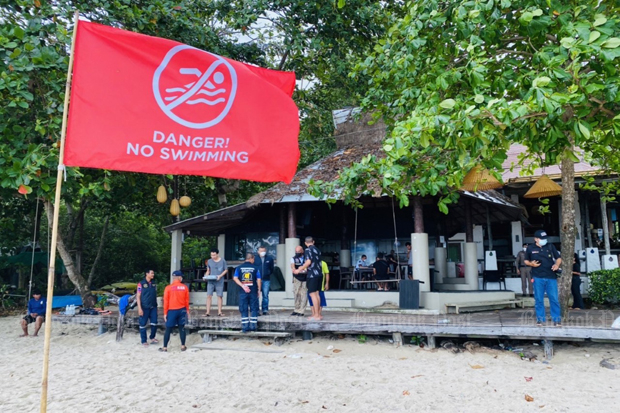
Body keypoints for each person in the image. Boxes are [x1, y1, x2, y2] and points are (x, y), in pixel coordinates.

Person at [524, 230, 562, 327]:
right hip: (537, 277)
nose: (544, 240)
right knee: (539, 299)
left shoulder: (550, 246)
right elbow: (526, 261)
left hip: (551, 276)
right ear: (536, 239)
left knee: (554, 299)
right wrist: (531, 264)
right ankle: (540, 320)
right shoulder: (530, 248)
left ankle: (557, 320)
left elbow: (558, 258)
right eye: (541, 239)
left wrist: (557, 265)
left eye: (545, 239)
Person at [160, 270, 190, 352]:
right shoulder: (185, 287)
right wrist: (187, 310)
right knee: (182, 328)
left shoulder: (168, 288)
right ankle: (183, 346)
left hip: (172, 310)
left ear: (174, 278)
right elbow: (187, 300)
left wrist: (165, 313)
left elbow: (166, 301)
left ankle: (165, 347)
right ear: (180, 277)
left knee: (168, 329)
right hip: (182, 310)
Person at [294, 236, 322, 320]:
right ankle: (318, 314)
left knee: (312, 294)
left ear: (305, 243)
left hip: (312, 275)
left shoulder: (307, 250)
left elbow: (308, 262)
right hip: (319, 274)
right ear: (313, 242)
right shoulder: (317, 250)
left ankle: (316, 315)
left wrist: (299, 269)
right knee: (317, 294)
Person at [233, 253, 262, 332]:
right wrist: (259, 290)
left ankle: (245, 328)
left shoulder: (239, 268)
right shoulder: (255, 268)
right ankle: (253, 327)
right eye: (254, 259)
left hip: (243, 292)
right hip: (253, 291)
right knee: (254, 308)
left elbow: (235, 278)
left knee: (243, 308)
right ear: (251, 258)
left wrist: (243, 286)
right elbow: (258, 279)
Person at [136, 269, 158, 347]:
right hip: (144, 307)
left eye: (153, 273)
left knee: (154, 322)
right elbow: (138, 296)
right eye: (151, 273)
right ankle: (144, 340)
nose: (153, 274)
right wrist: (139, 308)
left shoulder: (154, 283)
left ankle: (152, 337)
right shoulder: (141, 284)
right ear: (147, 274)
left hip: (153, 306)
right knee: (143, 324)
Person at [204, 248, 228, 317]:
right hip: (211, 280)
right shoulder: (209, 261)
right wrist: (205, 276)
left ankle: (219, 312)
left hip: (219, 280)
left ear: (217, 254)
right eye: (211, 255)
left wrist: (220, 276)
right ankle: (207, 312)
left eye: (214, 255)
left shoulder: (223, 260)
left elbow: (226, 270)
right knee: (209, 295)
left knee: (219, 296)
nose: (213, 257)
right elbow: (208, 270)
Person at [254, 246, 274, 315]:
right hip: (256, 280)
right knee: (256, 295)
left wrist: (267, 273)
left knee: (265, 295)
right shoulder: (254, 258)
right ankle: (256, 310)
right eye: (261, 251)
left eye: (264, 251)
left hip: (266, 279)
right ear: (258, 251)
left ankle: (265, 310)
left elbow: (272, 269)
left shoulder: (269, 258)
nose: (262, 252)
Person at [290, 245, 307, 317]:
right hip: (296, 278)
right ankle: (296, 309)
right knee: (296, 293)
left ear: (302, 251)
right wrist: (301, 270)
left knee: (304, 294)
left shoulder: (307, 258)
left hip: (305, 278)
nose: (297, 253)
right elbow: (293, 268)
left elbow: (307, 268)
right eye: (296, 251)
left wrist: (300, 270)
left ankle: (302, 310)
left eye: (299, 251)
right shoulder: (293, 258)